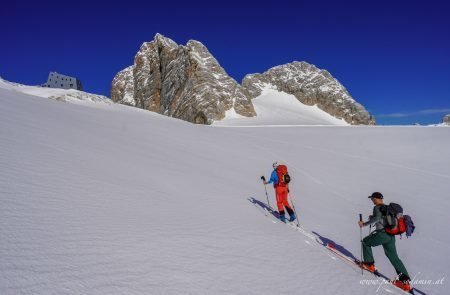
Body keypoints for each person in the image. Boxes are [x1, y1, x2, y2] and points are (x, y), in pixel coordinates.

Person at [358, 192, 412, 292]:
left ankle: (369, 264)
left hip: (382, 234)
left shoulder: (377, 207)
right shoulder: (387, 208)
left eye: (372, 199)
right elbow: (381, 219)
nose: (372, 200)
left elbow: (377, 218)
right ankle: (405, 282)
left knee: (365, 242)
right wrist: (373, 218)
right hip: (391, 236)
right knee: (394, 258)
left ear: (377, 198)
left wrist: (364, 223)